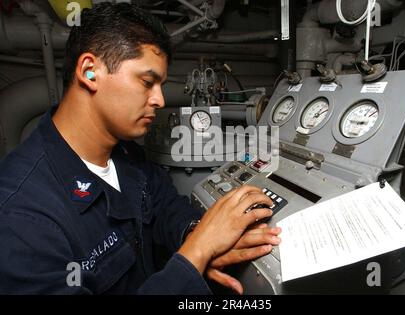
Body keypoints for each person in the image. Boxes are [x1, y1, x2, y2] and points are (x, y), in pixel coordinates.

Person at [0, 2, 281, 294]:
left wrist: (196, 233)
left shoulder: (125, 154)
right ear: (90, 71)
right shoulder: (20, 216)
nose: (159, 100)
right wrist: (198, 251)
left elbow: (164, 205)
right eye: (147, 82)